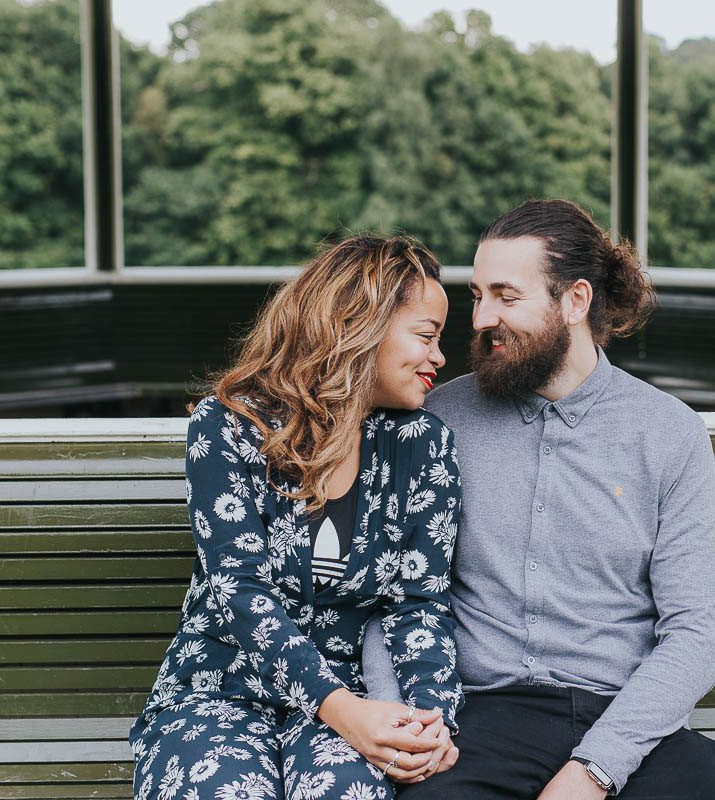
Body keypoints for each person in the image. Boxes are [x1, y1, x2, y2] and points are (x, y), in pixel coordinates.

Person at [368, 199, 715, 798]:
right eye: (478, 296)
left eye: (506, 296)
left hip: (628, 721)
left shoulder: (669, 433)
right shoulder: (438, 420)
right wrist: (400, 723)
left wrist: (595, 768)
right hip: (479, 719)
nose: (481, 317)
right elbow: (389, 595)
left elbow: (696, 634)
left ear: (575, 301)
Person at [130, 235, 465, 800]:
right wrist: (343, 712)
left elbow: (419, 604)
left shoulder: (422, 444)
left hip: (354, 698)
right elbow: (239, 592)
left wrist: (434, 722)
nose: (440, 358)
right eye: (427, 337)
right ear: (361, 326)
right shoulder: (228, 427)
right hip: (219, 689)